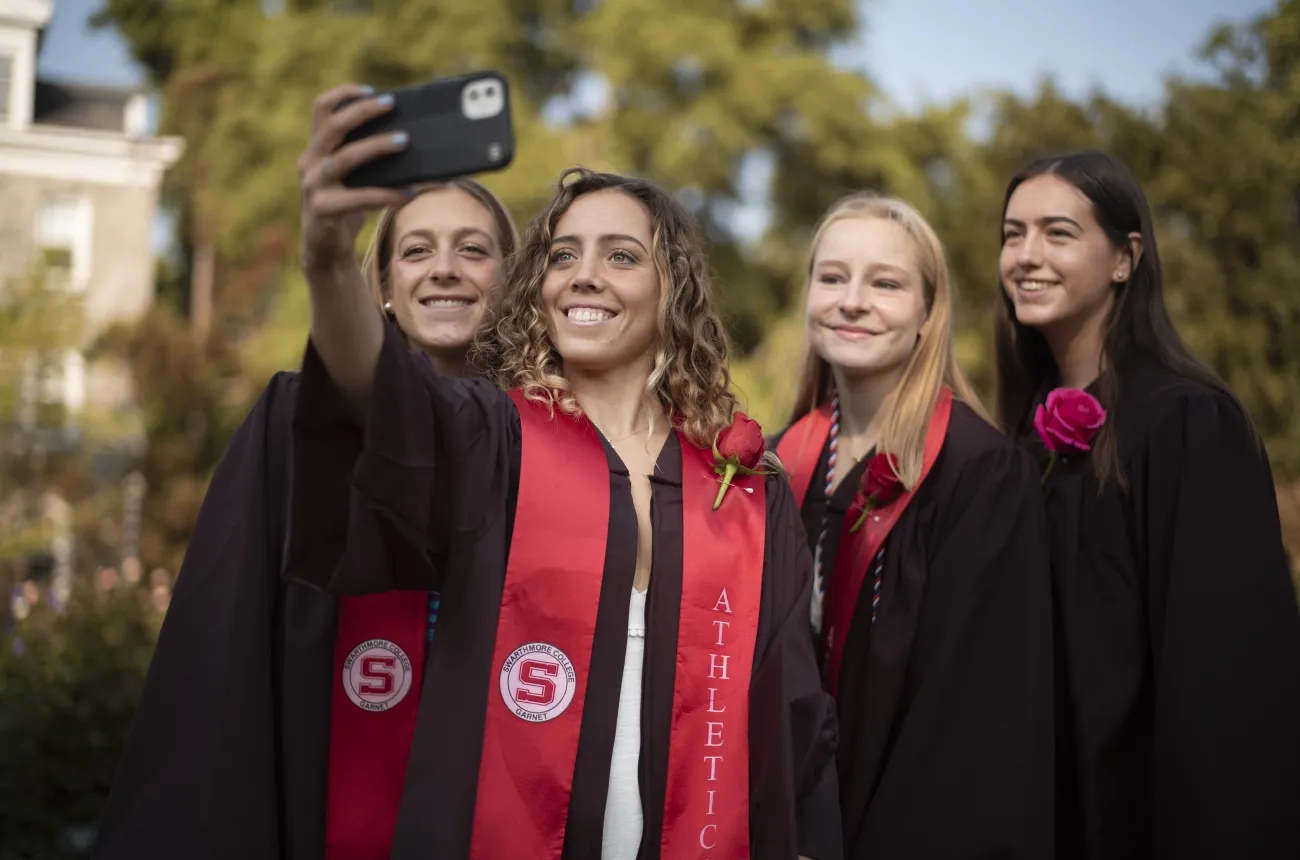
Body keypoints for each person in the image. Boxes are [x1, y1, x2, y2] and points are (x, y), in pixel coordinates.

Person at [283, 83, 839, 860]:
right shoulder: (492, 438)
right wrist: (327, 258)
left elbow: (792, 717)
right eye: (562, 255)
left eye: (620, 256)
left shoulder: (743, 489)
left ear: (670, 288)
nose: (583, 276)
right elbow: (372, 388)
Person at [93, 116, 519, 859]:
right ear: (382, 289)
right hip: (326, 800)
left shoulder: (554, 447)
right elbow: (220, 663)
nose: (444, 268)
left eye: (473, 250)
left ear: (513, 284)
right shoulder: (294, 424)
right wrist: (323, 255)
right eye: (415, 251)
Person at [995, 149, 1300, 860]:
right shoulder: (1019, 441)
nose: (1027, 256)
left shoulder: (1187, 422)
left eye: (1058, 233)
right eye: (1013, 234)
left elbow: (1227, 689)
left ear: (1126, 258)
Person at [771, 192, 1053, 858]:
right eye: (832, 277)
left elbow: (971, 715)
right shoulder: (779, 464)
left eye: (886, 283)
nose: (852, 301)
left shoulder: (979, 475)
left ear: (928, 313)